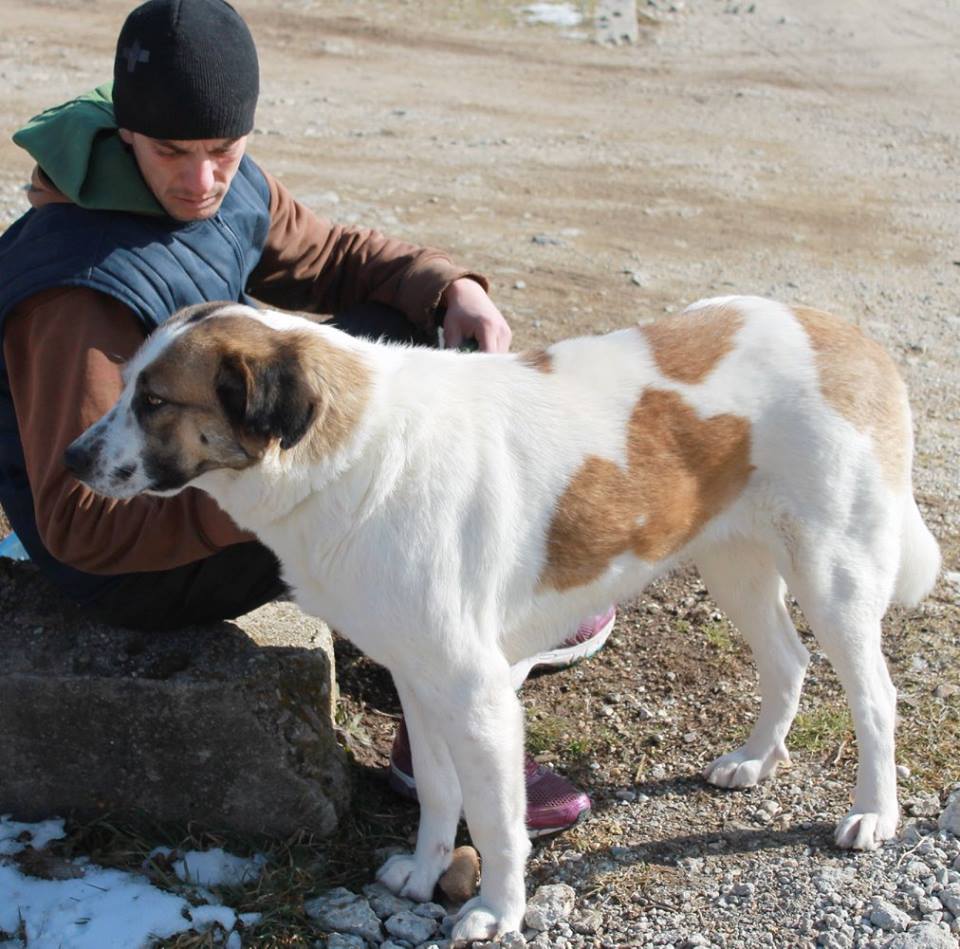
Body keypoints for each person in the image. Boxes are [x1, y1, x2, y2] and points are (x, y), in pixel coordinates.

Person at [0, 0, 613, 836]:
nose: (202, 180)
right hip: (134, 560)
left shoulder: (219, 188)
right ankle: (448, 727)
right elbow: (81, 522)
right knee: (389, 494)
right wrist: (288, 498)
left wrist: (448, 287)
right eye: (173, 153)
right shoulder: (80, 291)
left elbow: (333, 257)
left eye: (223, 150)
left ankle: (455, 625)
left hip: (200, 474)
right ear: (128, 131)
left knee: (402, 345)